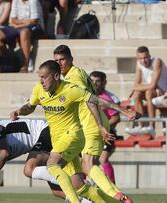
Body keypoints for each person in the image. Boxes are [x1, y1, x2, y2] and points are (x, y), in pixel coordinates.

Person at [9, 60, 139, 203]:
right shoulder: (39, 89)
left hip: (73, 136)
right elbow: (30, 106)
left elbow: (97, 100)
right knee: (79, 186)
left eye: (44, 77)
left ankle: (75, 201)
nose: (41, 81)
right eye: (40, 77)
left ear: (56, 76)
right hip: (58, 140)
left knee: (52, 165)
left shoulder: (71, 89)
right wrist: (19, 111)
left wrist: (125, 112)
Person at [0, 119, 122, 203]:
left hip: (46, 131)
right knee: (58, 192)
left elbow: (4, 153)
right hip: (40, 144)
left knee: (29, 169)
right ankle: (92, 199)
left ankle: (79, 184)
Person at [53, 45, 133, 203]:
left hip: (91, 121)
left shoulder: (73, 77)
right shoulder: (79, 72)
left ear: (70, 59)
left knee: (88, 165)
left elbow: (89, 99)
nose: (60, 63)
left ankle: (118, 195)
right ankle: (114, 199)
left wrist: (100, 126)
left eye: (62, 59)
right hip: (92, 121)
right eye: (56, 60)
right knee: (88, 165)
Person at [125, 46, 167, 136]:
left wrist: (141, 87)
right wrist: (139, 88)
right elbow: (136, 85)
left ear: (149, 56)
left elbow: (152, 85)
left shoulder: (157, 61)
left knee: (148, 93)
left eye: (145, 57)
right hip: (154, 92)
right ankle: (141, 126)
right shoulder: (139, 64)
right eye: (140, 58)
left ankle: (152, 126)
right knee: (136, 94)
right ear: (137, 58)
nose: (144, 60)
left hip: (163, 92)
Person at [0, 0, 44, 73]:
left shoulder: (33, 1)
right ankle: (8, 61)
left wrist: (19, 24)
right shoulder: (15, 1)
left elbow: (34, 20)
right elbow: (13, 19)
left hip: (36, 27)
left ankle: (26, 63)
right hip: (19, 26)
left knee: (24, 32)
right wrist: (22, 23)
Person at [90, 71, 121, 184]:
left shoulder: (108, 98)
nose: (94, 83)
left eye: (97, 81)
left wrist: (102, 127)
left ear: (104, 83)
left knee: (102, 159)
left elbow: (116, 118)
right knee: (86, 161)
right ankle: (85, 188)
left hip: (106, 135)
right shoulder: (85, 95)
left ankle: (113, 188)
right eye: (92, 80)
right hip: (88, 134)